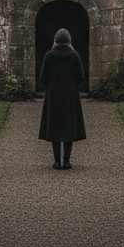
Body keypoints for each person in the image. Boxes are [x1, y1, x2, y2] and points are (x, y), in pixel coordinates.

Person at [38, 28, 87, 169]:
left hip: (53, 92)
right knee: (68, 125)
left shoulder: (49, 55)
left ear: (56, 40)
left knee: (54, 125)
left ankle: (56, 161)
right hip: (70, 93)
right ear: (68, 40)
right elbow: (80, 77)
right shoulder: (74, 55)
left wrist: (51, 86)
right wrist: (71, 85)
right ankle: (66, 161)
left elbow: (43, 77)